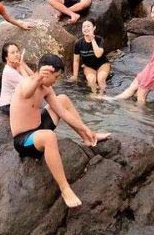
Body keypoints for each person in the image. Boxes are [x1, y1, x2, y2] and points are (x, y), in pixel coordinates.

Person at [10, 54, 110, 208]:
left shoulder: (47, 88)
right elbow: (26, 93)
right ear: (46, 73)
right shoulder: (27, 84)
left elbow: (62, 113)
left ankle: (88, 137)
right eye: (55, 77)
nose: (56, 80)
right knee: (49, 136)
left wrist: (85, 128)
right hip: (24, 141)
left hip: (39, 129)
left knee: (63, 99)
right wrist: (38, 77)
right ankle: (65, 189)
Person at [113, 2, 154, 104]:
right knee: (134, 84)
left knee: (141, 94)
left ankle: (140, 113)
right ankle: (111, 100)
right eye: (153, 12)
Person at [71, 20, 111, 95]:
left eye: (88, 26)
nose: (86, 28)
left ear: (94, 28)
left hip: (102, 64)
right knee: (91, 80)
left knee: (100, 79)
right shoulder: (78, 43)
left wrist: (92, 39)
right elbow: (76, 61)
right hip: (89, 66)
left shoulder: (99, 40)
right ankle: (94, 95)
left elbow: (98, 54)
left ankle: (102, 95)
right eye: (84, 27)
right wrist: (75, 75)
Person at [0, 42, 33, 114]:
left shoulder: (16, 66)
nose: (16, 54)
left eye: (17, 52)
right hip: (7, 106)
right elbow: (29, 85)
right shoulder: (9, 72)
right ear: (6, 57)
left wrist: (23, 63)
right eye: (12, 53)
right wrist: (21, 66)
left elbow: (34, 78)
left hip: (15, 103)